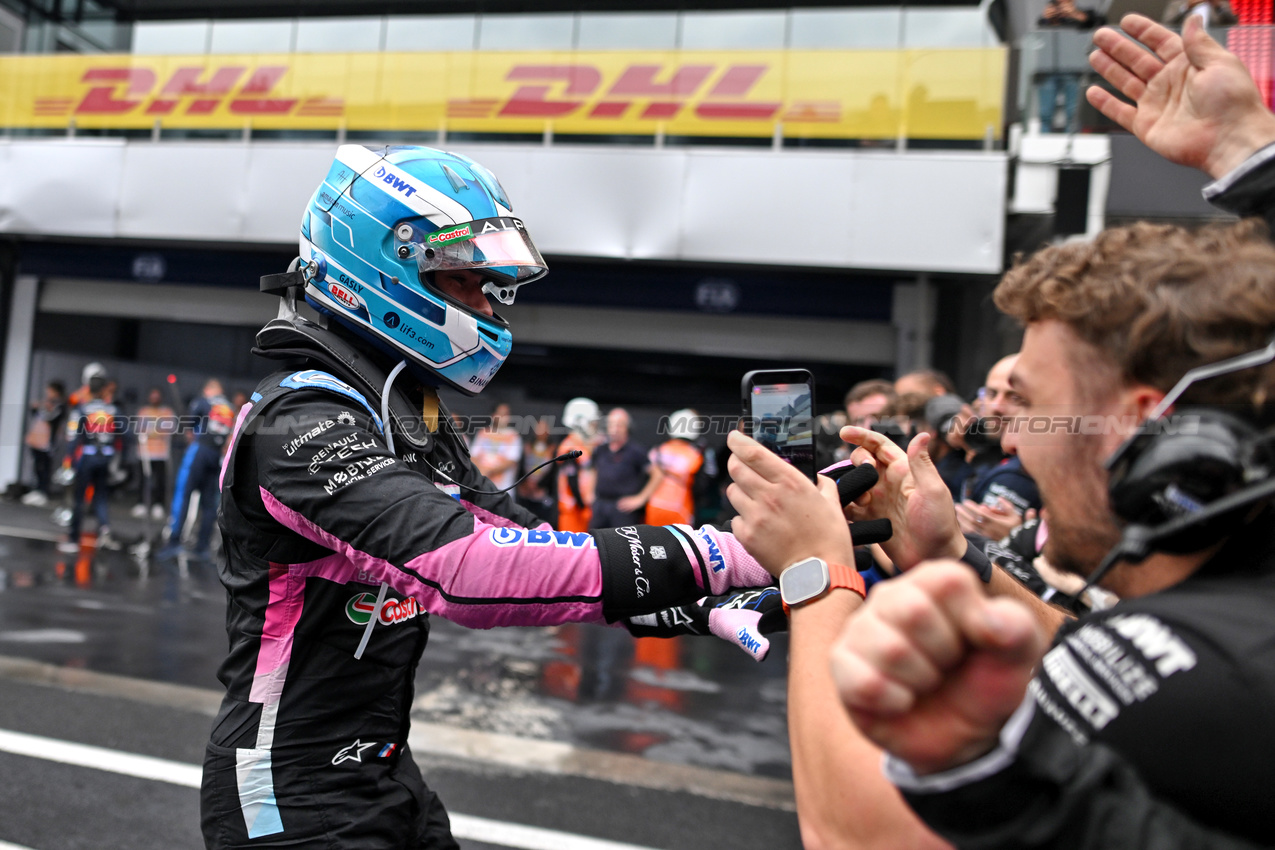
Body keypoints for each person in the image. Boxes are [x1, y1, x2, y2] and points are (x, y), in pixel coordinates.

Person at [730, 16, 1275, 845]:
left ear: (1143, 427)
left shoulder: (1202, 674)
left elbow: (858, 831)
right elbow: (1097, 654)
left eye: (1024, 402)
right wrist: (949, 557)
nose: (1005, 439)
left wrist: (816, 572)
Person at [200, 144, 774, 850]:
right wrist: (726, 552)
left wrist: (691, 604)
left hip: (378, 771)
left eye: (487, 283)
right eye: (464, 281)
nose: (485, 303)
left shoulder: (401, 411)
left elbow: (526, 539)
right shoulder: (299, 425)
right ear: (383, 266)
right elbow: (470, 571)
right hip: (287, 793)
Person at [955, 354, 1042, 540]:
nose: (996, 406)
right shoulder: (980, 452)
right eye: (992, 393)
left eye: (1015, 397)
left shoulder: (1020, 472)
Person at [159, 378, 234, 561]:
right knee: (209, 504)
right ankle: (202, 547)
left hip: (200, 452)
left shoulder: (203, 401)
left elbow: (190, 424)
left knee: (183, 494)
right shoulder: (230, 408)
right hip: (217, 456)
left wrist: (189, 434)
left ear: (209, 390)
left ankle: (174, 541)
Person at [57, 372, 122, 554]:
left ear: (89, 389)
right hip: (106, 458)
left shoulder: (83, 409)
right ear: (103, 389)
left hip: (87, 457)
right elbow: (124, 435)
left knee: (79, 499)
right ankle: (105, 530)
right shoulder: (113, 410)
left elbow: (75, 437)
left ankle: (73, 539)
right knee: (100, 497)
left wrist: (68, 459)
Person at [1036, 0, 1105, 133]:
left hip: (1073, 69)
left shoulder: (1086, 14)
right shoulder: (1047, 17)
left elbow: (1098, 24)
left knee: (1073, 112)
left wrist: (1075, 15)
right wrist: (1047, 20)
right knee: (1045, 112)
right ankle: (1043, 142)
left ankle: (1072, 140)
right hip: (1048, 69)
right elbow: (1039, 35)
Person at [589, 407, 655, 528]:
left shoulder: (635, 451)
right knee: (594, 541)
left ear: (627, 428)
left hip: (622, 508)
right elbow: (593, 470)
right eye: (612, 424)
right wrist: (590, 494)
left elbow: (657, 474)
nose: (615, 429)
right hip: (601, 505)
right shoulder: (600, 449)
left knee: (620, 544)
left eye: (619, 425)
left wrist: (640, 499)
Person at [644, 409, 706, 527]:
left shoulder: (657, 450)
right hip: (680, 512)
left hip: (654, 508)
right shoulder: (695, 455)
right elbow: (700, 487)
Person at [555, 397, 600, 533]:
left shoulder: (583, 444)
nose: (595, 426)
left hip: (582, 506)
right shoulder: (569, 447)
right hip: (573, 508)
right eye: (592, 422)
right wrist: (581, 504)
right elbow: (571, 478)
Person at [132, 387, 175, 522]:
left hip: (161, 454)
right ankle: (142, 503)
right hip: (144, 453)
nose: (154, 399)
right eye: (152, 396)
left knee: (160, 481)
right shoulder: (143, 411)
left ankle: (158, 505)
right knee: (143, 480)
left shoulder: (167, 412)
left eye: (157, 396)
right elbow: (140, 428)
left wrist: (153, 430)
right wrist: (155, 430)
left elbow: (168, 429)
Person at [21, 380, 67, 507]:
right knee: (37, 466)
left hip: (48, 443)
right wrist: (36, 408)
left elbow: (51, 418)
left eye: (50, 390)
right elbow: (37, 416)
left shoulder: (59, 405)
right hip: (37, 440)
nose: (47, 393)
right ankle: (37, 491)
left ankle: (43, 492)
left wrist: (43, 408)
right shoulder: (46, 403)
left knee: (44, 468)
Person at [468, 401, 522, 492]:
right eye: (501, 414)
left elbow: (511, 461)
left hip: (502, 489)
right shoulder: (483, 433)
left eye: (506, 414)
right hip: (481, 486)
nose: (504, 417)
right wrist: (481, 471)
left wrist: (488, 471)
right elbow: (473, 456)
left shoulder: (514, 436)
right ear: (493, 415)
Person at [1161, 0, 1236, 27]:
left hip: (1213, 43)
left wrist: (1218, 7)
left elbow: (1233, 22)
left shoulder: (1221, 3)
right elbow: (1168, 22)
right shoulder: (1177, 3)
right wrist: (1186, 7)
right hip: (1185, 43)